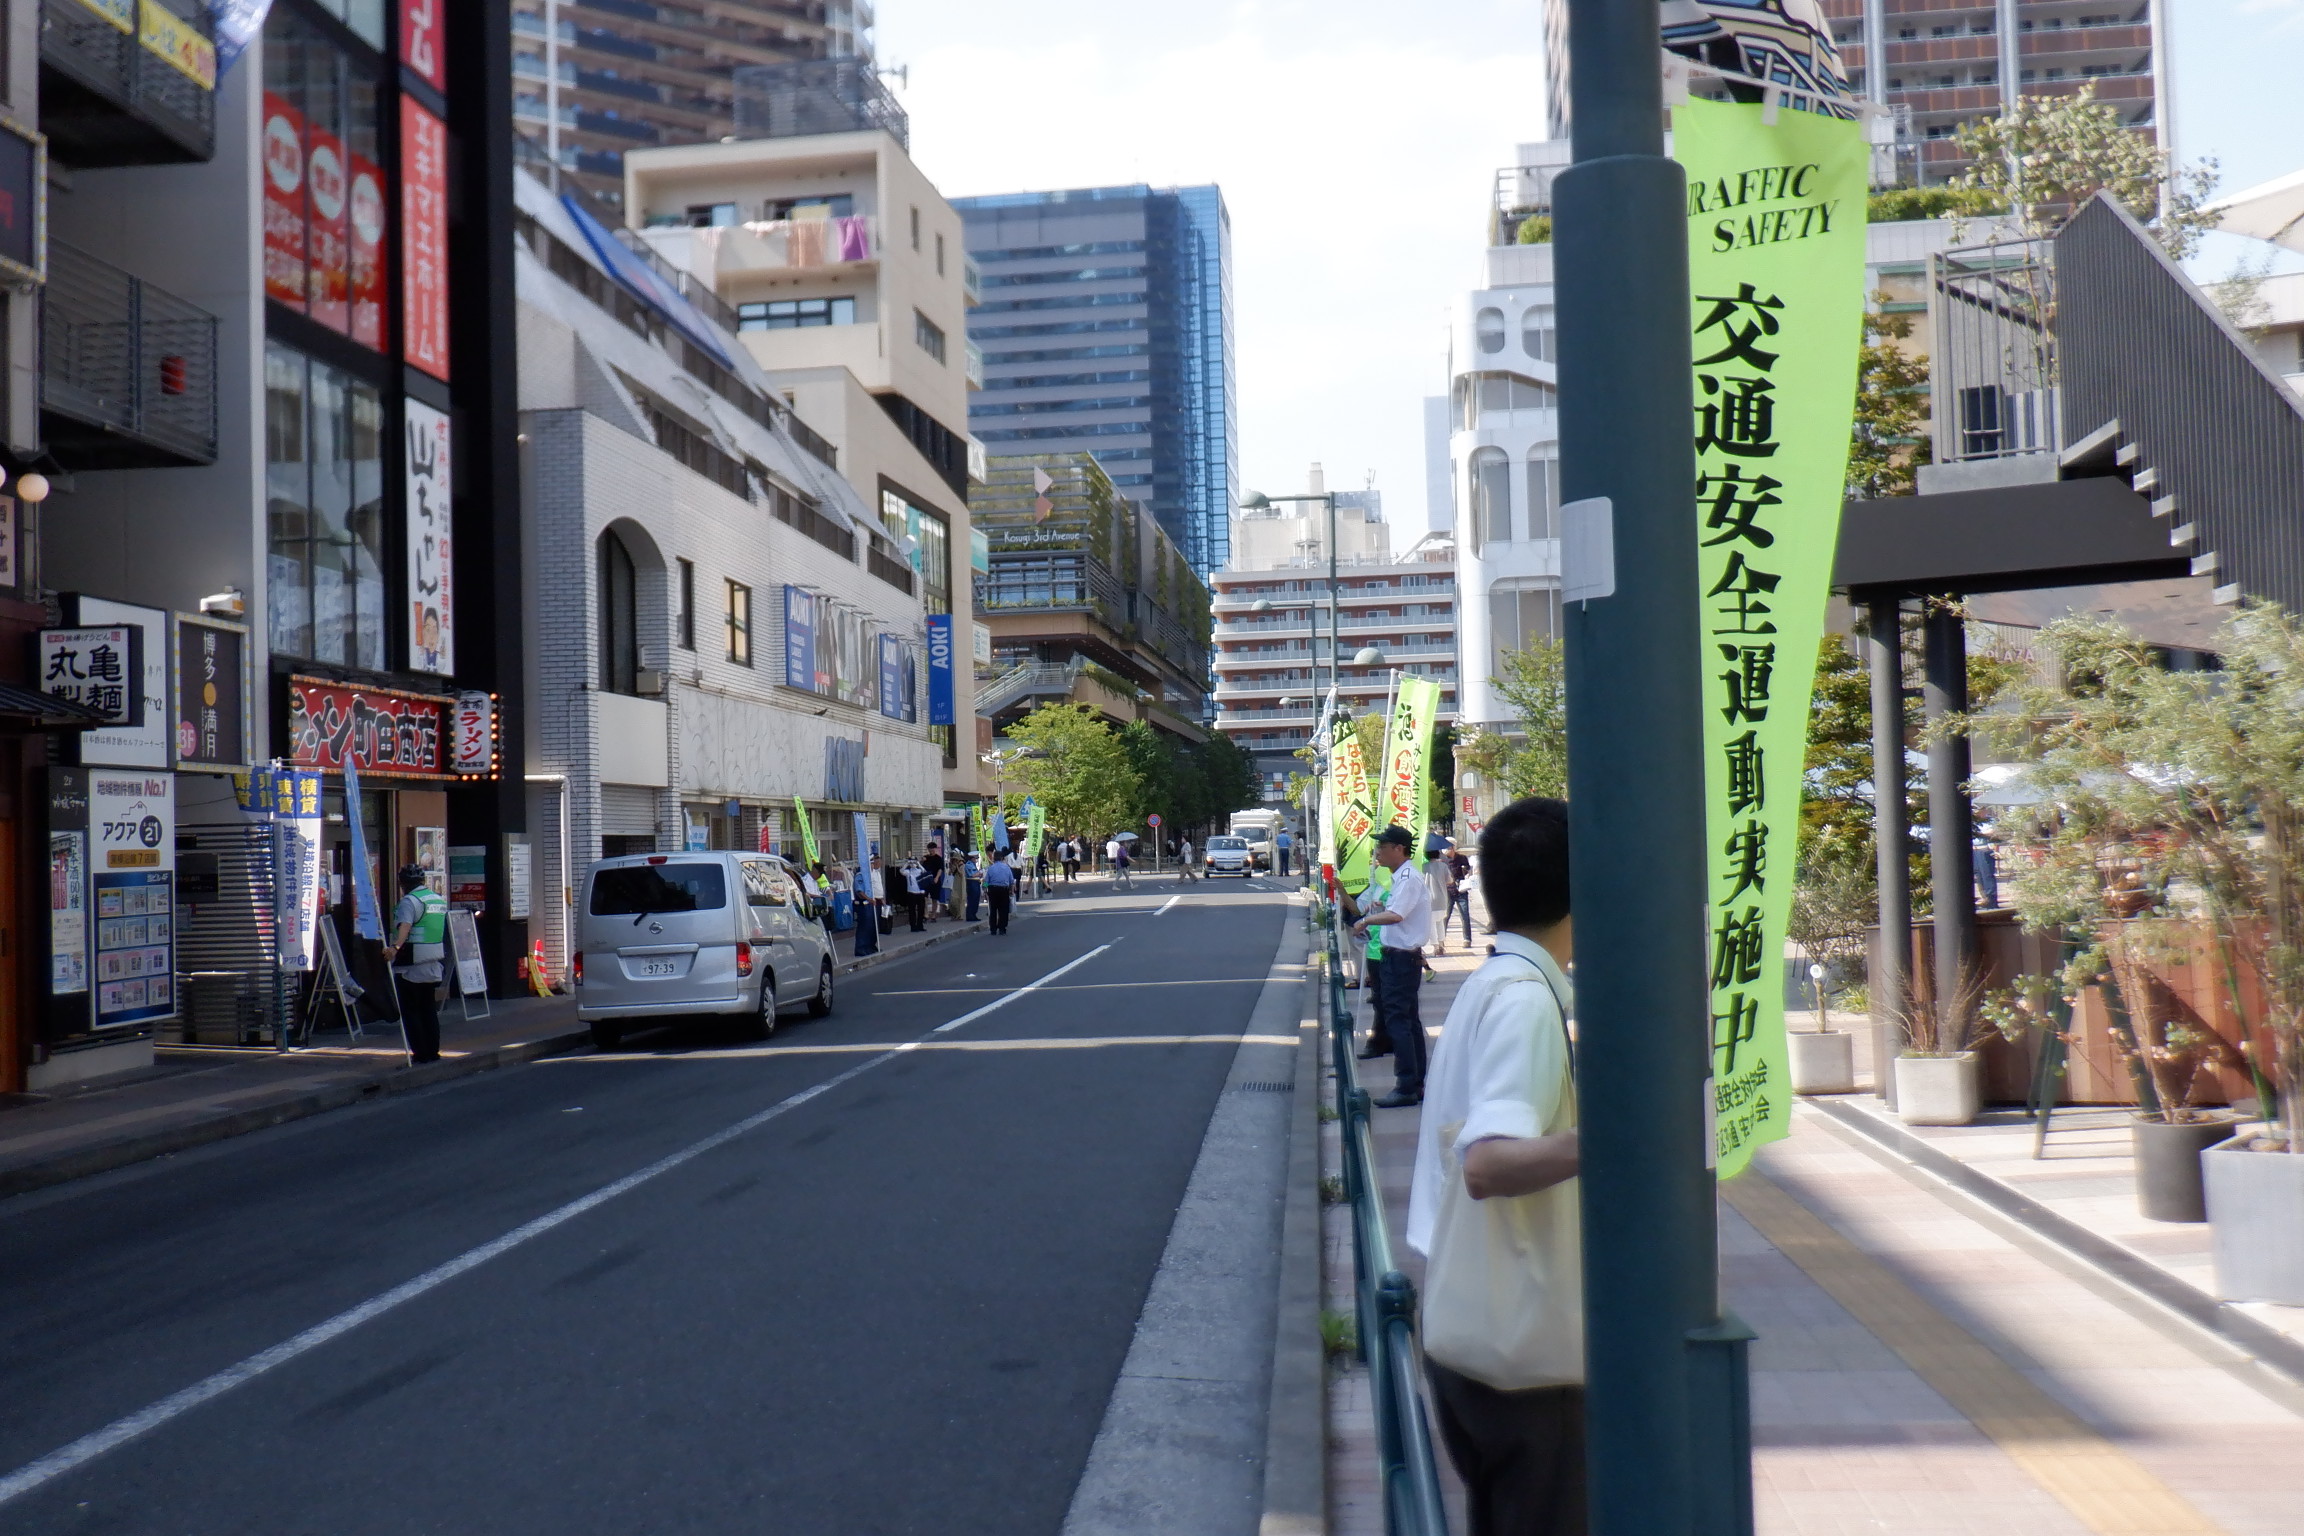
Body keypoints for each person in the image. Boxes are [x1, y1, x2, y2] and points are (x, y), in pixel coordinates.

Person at [1405, 797, 1582, 1536]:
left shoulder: (1491, 982)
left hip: (1468, 1319)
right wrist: (1633, 1134)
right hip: (1523, 1349)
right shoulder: (1523, 1001)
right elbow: (1488, 1164)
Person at [1351, 825, 1433, 1108]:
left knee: (1399, 1021)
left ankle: (1407, 1084)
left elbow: (1397, 915)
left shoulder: (1408, 878)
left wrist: (1365, 921)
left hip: (1400, 957)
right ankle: (1416, 1082)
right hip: (1399, 956)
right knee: (1407, 1021)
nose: (1378, 852)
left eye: (1382, 847)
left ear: (1399, 848)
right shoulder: (1402, 877)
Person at [381, 864, 447, 1065]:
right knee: (428, 1009)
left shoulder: (409, 901)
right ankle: (433, 1051)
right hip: (433, 960)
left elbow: (405, 927)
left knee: (411, 1010)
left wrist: (394, 947)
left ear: (402, 884)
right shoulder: (437, 899)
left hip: (412, 963)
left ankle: (420, 1053)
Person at [1427, 847, 1457, 956]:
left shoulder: (1422, 867)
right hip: (1442, 897)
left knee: (1431, 923)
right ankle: (1441, 944)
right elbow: (1449, 881)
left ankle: (1435, 946)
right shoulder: (1443, 866)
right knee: (1440, 922)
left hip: (1429, 898)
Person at [983, 847, 1016, 933]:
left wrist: (984, 890)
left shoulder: (991, 868)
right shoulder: (1007, 868)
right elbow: (1011, 881)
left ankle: (993, 929)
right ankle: (1002, 928)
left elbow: (986, 881)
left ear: (994, 858)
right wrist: (1011, 891)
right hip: (1004, 890)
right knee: (1003, 909)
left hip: (992, 890)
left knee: (993, 910)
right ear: (1002, 858)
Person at [1448, 845, 1476, 946]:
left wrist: (1465, 870)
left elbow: (1468, 869)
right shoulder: (1443, 860)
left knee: (1465, 915)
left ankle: (1467, 939)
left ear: (1453, 848)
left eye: (1448, 848)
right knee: (1446, 916)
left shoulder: (1462, 858)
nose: (1446, 850)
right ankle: (1441, 940)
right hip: (1449, 890)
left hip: (1461, 889)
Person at [898, 855, 928, 932]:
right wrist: (907, 863)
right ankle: (913, 926)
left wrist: (918, 864)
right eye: (912, 862)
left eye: (914, 862)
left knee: (921, 910)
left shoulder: (919, 871)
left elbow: (925, 872)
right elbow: (901, 871)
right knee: (912, 911)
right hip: (911, 893)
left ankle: (920, 925)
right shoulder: (908, 872)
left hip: (920, 893)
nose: (913, 864)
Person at [921, 842, 947, 921]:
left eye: (933, 848)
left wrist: (936, 878)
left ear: (935, 849)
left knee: (934, 898)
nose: (931, 850)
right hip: (926, 880)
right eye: (929, 848)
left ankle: (933, 915)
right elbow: (920, 868)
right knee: (924, 897)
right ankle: (925, 914)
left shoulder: (938, 858)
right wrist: (921, 861)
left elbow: (940, 869)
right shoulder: (925, 858)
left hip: (935, 880)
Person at [963, 846, 984, 922]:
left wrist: (979, 874)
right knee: (972, 899)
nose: (977, 860)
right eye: (976, 858)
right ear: (972, 858)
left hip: (976, 882)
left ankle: (974, 915)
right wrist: (979, 873)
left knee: (976, 900)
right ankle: (970, 915)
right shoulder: (969, 864)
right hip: (971, 882)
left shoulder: (973, 864)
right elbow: (972, 874)